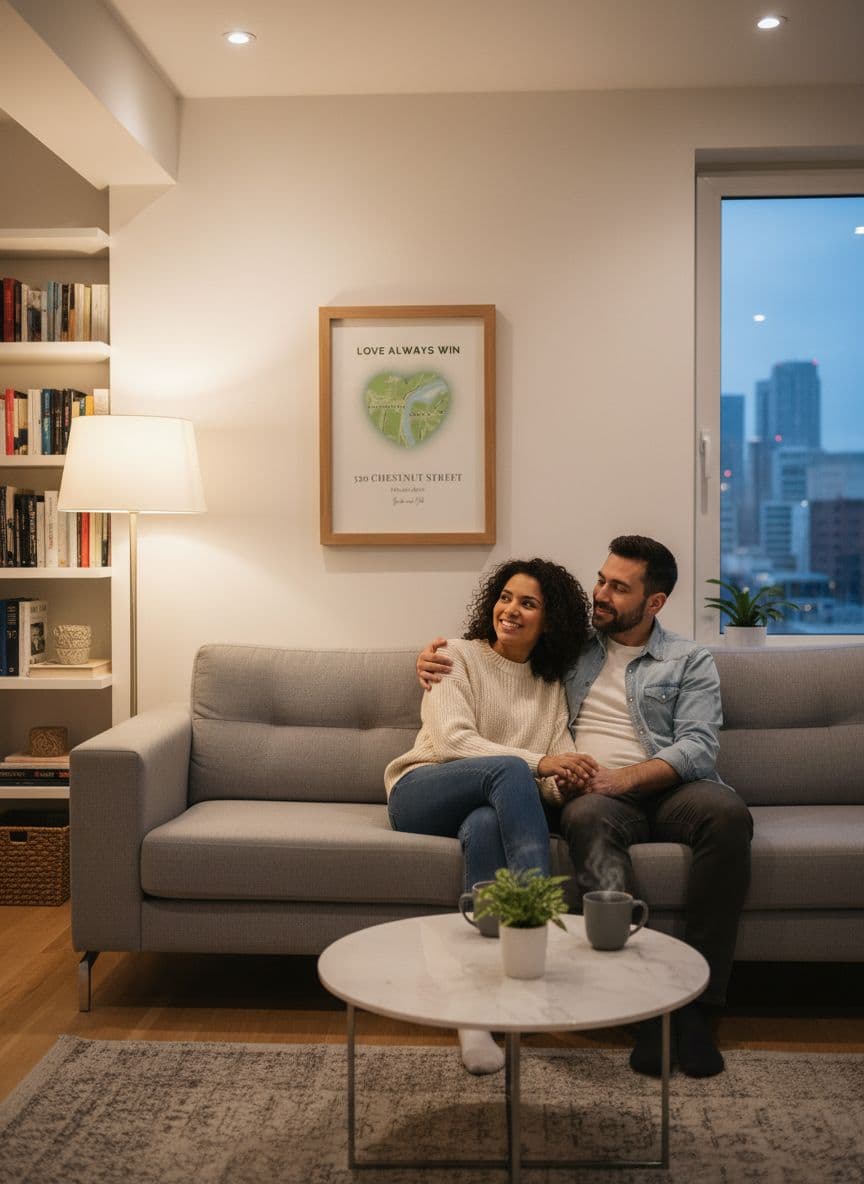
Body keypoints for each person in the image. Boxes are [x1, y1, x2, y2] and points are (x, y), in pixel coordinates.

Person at [417, 535, 753, 1080]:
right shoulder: (569, 648)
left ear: (654, 602)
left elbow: (697, 747)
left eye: (618, 587)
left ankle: (697, 1007)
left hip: (670, 789)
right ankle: (642, 1002)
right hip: (595, 798)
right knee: (586, 818)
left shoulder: (689, 659)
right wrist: (430, 660)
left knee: (729, 815)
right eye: (601, 579)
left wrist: (625, 779)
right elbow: (498, 653)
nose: (601, 593)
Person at [386, 557, 594, 1075]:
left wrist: (565, 780)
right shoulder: (454, 657)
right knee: (509, 768)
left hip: (484, 804)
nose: (511, 610)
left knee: (484, 823)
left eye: (528, 603)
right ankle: (537, 931)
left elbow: (551, 769)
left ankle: (474, 1011)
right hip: (420, 791)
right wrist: (541, 764)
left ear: (550, 621)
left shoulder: (549, 686)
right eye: (505, 597)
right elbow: (453, 742)